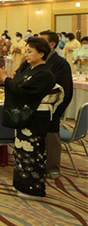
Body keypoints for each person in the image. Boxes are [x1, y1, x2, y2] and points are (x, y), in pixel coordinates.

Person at [0, 38, 57, 200]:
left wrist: (4, 79)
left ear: (42, 54)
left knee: (33, 151)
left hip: (36, 117)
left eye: (30, 52)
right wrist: (8, 79)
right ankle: (21, 184)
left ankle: (33, 189)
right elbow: (18, 83)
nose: (26, 55)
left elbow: (23, 92)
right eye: (26, 51)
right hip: (27, 116)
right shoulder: (30, 68)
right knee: (21, 151)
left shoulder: (44, 73)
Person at [39, 31, 74, 179]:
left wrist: (56, 111)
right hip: (39, 107)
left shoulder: (60, 63)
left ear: (52, 45)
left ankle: (52, 168)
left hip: (52, 109)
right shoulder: (40, 60)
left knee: (51, 136)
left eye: (41, 42)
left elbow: (65, 92)